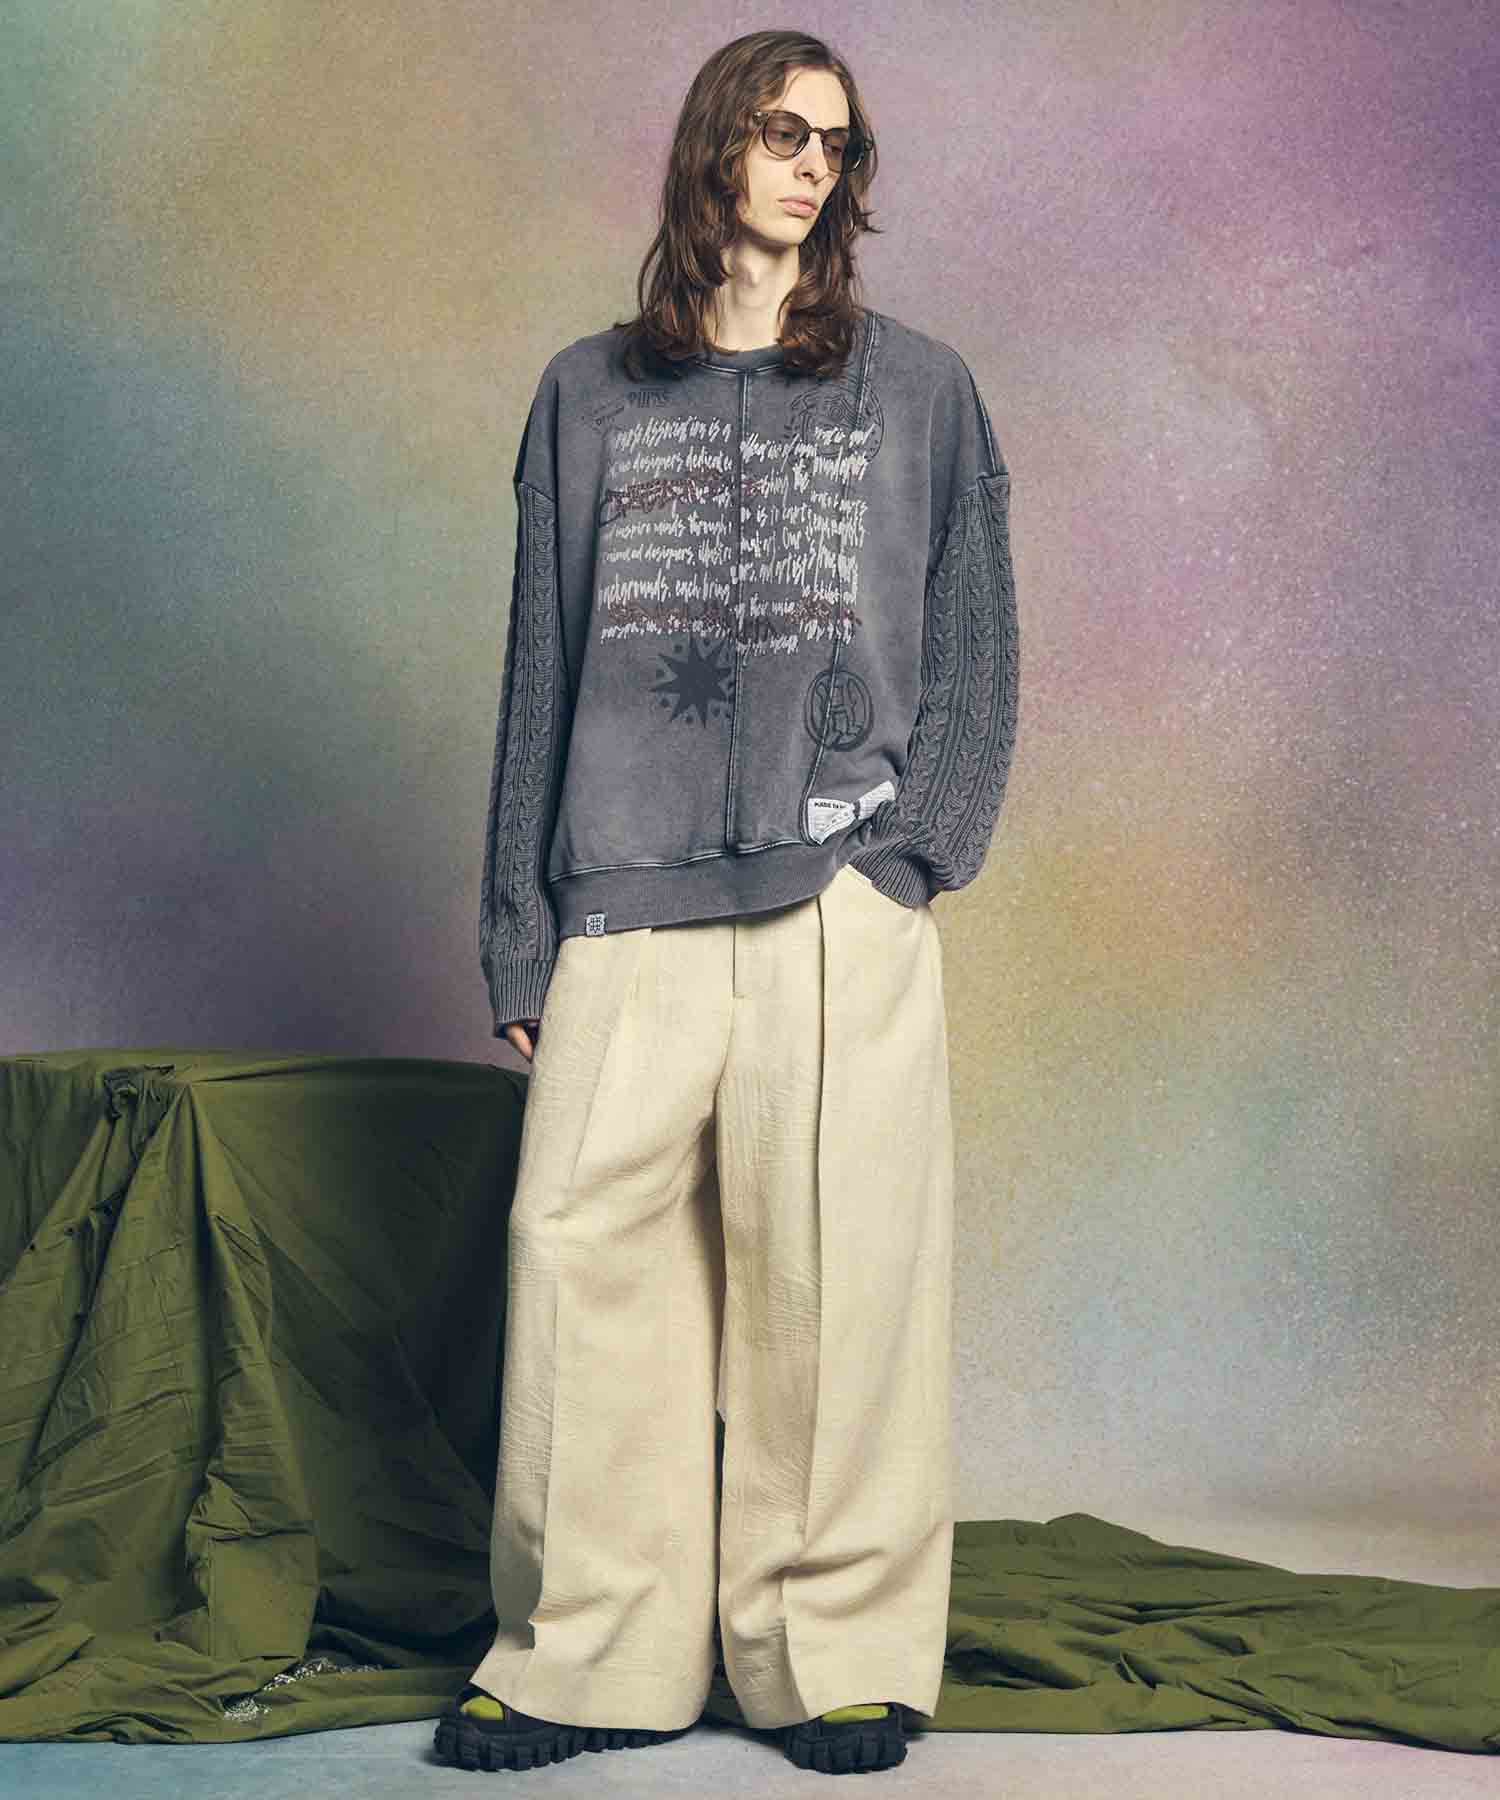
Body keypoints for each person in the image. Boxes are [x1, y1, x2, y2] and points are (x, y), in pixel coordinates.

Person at [435, 26, 1018, 1778]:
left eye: (836, 144)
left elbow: (977, 640)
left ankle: (831, 1653)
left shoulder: (922, 391)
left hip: (840, 896)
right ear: (716, 149)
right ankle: (585, 1652)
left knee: (835, 1283)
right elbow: (540, 668)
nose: (811, 166)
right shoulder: (586, 394)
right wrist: (517, 926)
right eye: (780, 132)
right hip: (622, 900)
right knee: (579, 1266)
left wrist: (916, 853)